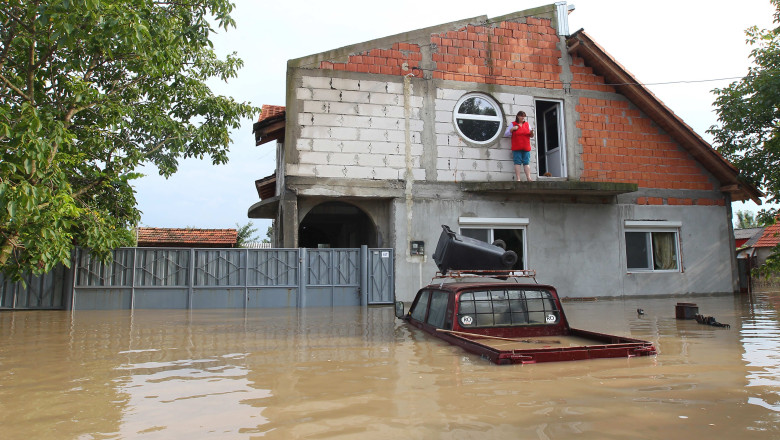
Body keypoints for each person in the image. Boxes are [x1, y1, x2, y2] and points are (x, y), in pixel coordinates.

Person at [509, 111, 534, 181]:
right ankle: (518, 179)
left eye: (524, 116)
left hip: (526, 147)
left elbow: (531, 136)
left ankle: (529, 178)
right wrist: (512, 129)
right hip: (516, 147)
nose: (523, 117)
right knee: (517, 162)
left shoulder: (527, 124)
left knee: (526, 162)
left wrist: (532, 133)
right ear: (518, 116)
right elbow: (507, 133)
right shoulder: (513, 124)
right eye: (522, 116)